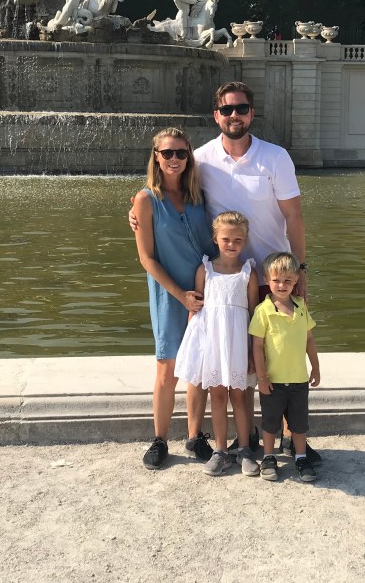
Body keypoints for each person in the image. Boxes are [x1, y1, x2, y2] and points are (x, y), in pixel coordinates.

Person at [130, 81, 318, 464]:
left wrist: (299, 270)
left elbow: (294, 216)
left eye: (242, 108)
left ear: (251, 113)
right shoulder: (201, 159)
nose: (235, 115)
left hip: (270, 278)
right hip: (220, 280)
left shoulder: (275, 157)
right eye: (228, 109)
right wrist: (136, 212)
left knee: (278, 358)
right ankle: (228, 437)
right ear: (216, 115)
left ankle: (288, 437)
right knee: (223, 360)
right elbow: (163, 187)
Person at [133, 128, 216, 470]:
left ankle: (195, 436)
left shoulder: (198, 196)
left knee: (198, 367)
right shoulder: (145, 200)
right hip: (169, 293)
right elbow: (146, 258)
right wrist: (180, 295)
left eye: (181, 153)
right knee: (167, 367)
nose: (174, 159)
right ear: (156, 156)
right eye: (167, 153)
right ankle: (160, 439)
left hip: (204, 291)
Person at [175, 211, 260, 476]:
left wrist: (252, 352)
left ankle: (244, 449)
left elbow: (253, 314)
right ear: (215, 239)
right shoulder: (206, 270)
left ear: (245, 241)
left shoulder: (248, 273)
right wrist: (195, 349)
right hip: (212, 343)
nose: (231, 244)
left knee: (240, 396)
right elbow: (197, 312)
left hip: (238, 342)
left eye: (237, 239)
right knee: (218, 396)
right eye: (226, 239)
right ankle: (220, 450)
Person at [251, 252, 320, 483]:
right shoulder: (263, 310)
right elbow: (257, 346)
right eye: (276, 280)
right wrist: (262, 377)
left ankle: (300, 457)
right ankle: (269, 457)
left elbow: (309, 339)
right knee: (270, 423)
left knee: (299, 424)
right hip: (273, 380)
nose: (282, 285)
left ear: (296, 281)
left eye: (287, 280)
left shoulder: (301, 306)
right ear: (266, 280)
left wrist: (315, 367)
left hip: (299, 378)